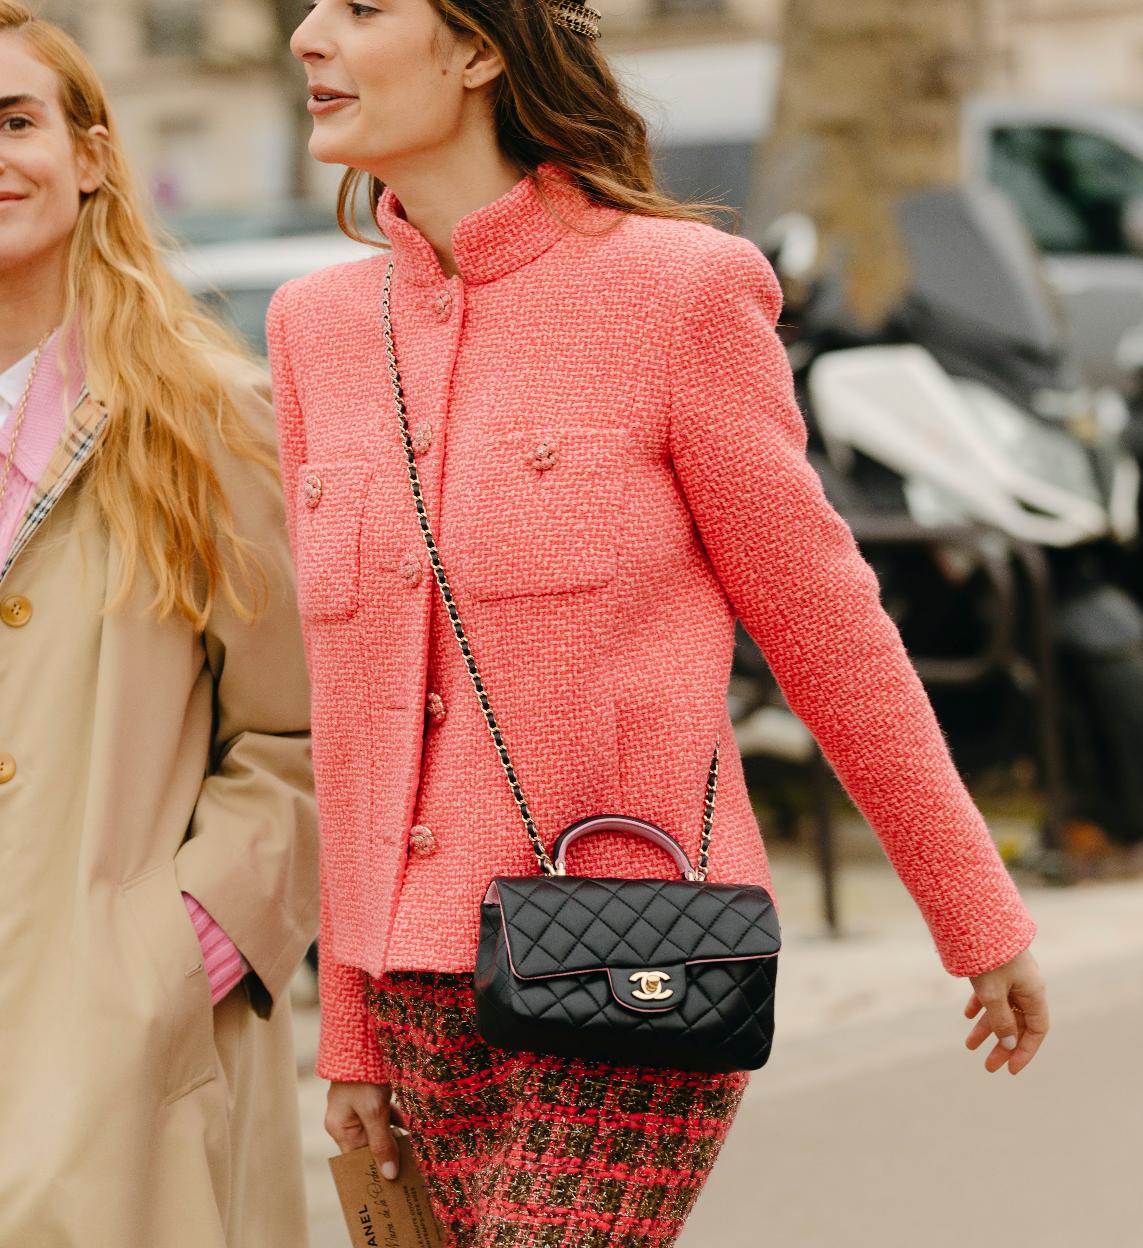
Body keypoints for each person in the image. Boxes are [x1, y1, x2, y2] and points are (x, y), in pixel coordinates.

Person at [270, 2, 1051, 1245]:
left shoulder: (677, 290)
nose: (309, 35)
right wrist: (350, 1030)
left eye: (361, 6)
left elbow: (825, 623)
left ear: (479, 48)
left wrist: (973, 907)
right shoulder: (314, 331)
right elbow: (350, 705)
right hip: (413, 988)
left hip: (638, 956)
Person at [0, 6, 318, 1246]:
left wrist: (179, 955)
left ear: (89, 153)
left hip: (116, 1052)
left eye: (14, 120)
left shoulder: (207, 421)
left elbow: (296, 735)